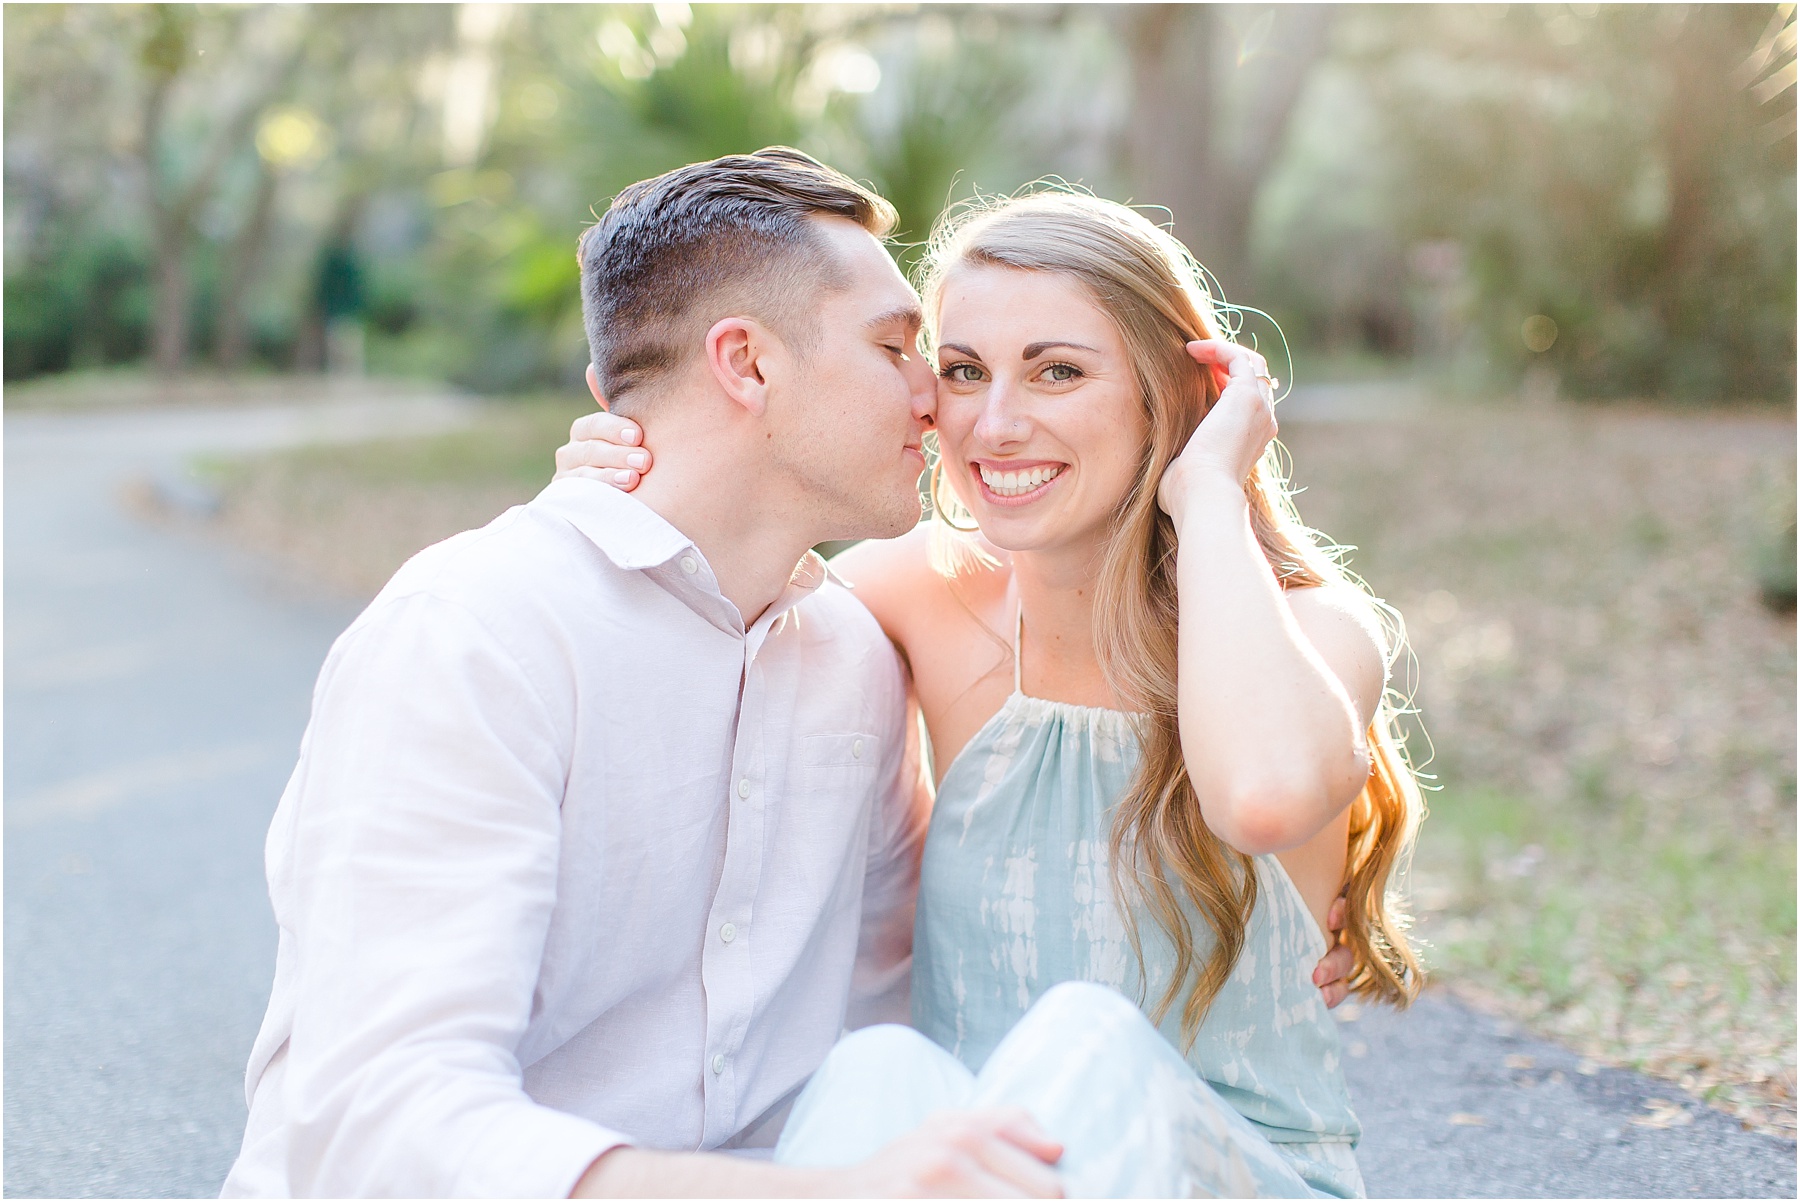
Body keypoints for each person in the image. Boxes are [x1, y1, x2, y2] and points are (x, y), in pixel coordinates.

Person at [221, 148, 1082, 1199]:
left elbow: (899, 1026)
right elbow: (376, 1123)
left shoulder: (852, 659)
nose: (935, 397)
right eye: (896, 344)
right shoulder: (476, 634)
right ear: (749, 364)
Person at [557, 188, 1426, 1197]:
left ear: (1173, 393)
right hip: (968, 1176)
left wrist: (1209, 488)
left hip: (1234, 1166)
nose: (997, 424)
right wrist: (627, 471)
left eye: (1058, 370)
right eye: (964, 372)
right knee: (877, 1071)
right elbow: (693, 603)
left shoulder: (1307, 629)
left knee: (1086, 1041)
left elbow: (1263, 795)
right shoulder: (918, 596)